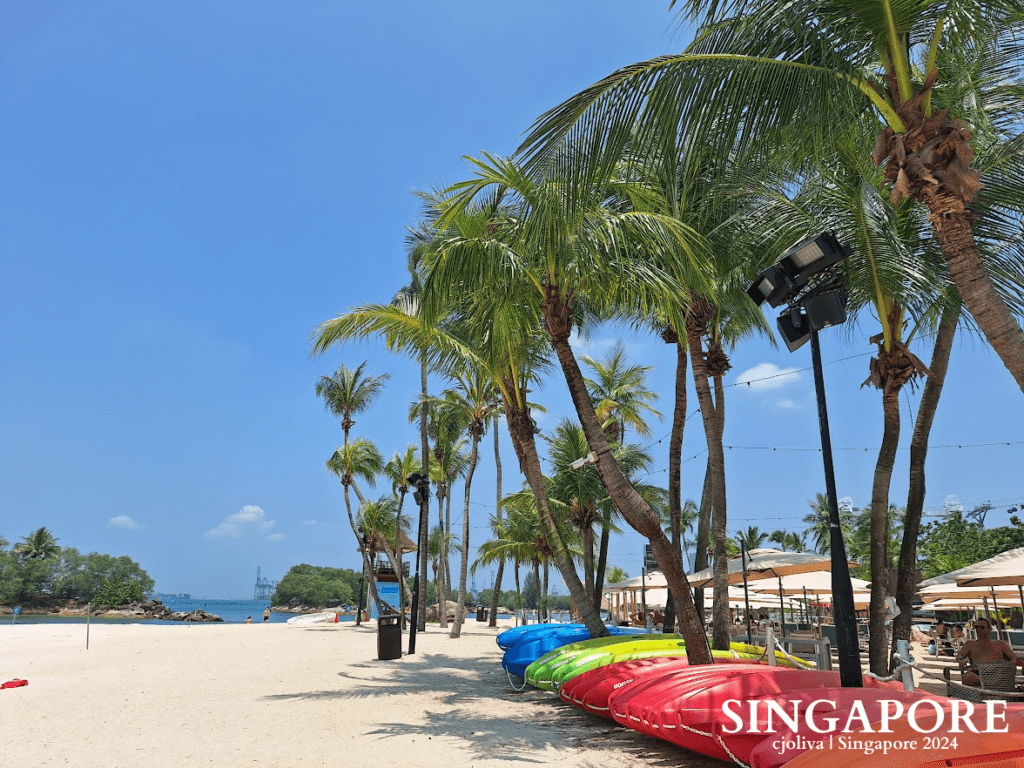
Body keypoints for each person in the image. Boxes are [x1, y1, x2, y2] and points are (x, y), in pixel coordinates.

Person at [955, 617, 1019, 687]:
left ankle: (989, 684)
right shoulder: (970, 644)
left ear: (989, 629)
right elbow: (960, 655)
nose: (978, 629)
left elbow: (1013, 657)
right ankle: (987, 683)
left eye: (982, 627)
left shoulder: (1000, 644)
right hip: (978, 674)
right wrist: (961, 660)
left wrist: (1010, 668)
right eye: (976, 627)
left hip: (998, 674)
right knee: (966, 677)